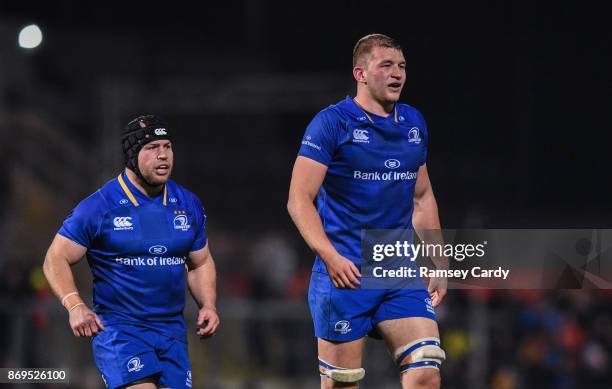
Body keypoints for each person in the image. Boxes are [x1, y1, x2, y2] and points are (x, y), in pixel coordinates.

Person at [287, 34, 447, 388]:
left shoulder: (413, 124)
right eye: (386, 65)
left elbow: (422, 198)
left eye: (402, 66)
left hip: (398, 271)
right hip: (346, 274)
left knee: (426, 373)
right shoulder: (331, 123)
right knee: (343, 384)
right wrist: (330, 257)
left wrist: (438, 260)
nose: (398, 74)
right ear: (360, 73)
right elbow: (298, 199)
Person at [43, 115, 219, 389]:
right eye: (152, 148)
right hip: (121, 330)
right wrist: (75, 305)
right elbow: (55, 258)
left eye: (167, 146)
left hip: (172, 333)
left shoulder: (187, 203)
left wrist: (208, 304)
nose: (163, 156)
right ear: (132, 155)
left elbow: (201, 262)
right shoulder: (100, 207)